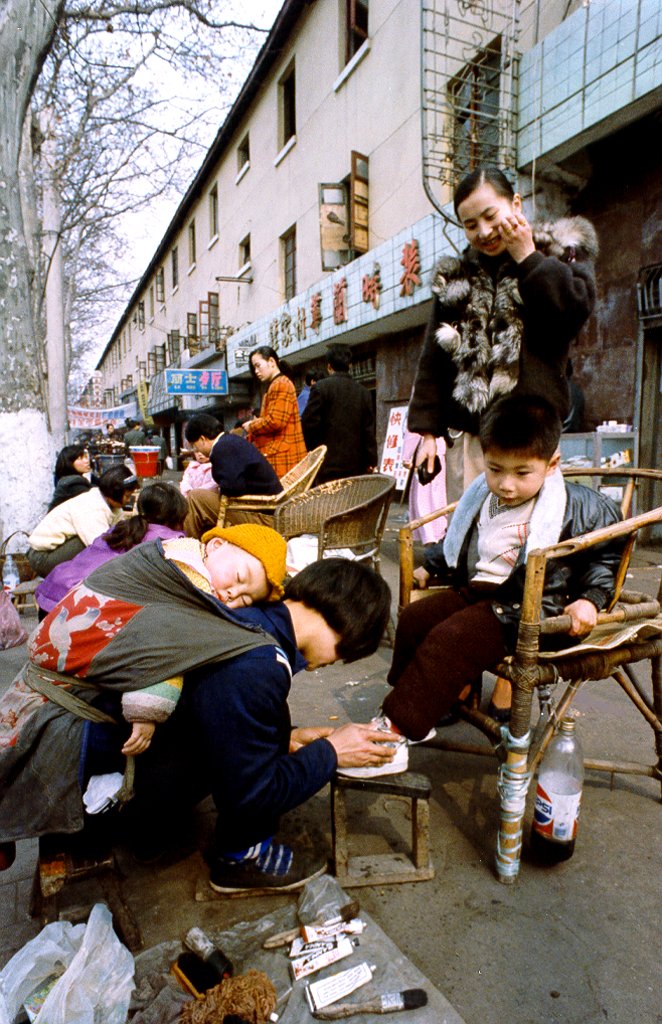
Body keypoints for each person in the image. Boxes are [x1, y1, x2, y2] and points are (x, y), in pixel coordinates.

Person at [0, 553, 395, 893]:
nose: (332, 663)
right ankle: (238, 859)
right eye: (344, 654)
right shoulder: (259, 664)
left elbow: (223, 712)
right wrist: (331, 752)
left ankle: (154, 827)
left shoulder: (247, 616)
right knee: (256, 776)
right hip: (80, 786)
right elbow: (253, 796)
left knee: (266, 729)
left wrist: (286, 739)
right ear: (347, 625)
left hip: (77, 740)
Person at [341, 395, 623, 779]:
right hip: (479, 592)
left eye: (522, 473)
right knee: (415, 618)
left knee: (450, 638)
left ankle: (394, 732)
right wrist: (432, 565)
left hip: (530, 609)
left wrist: (591, 600)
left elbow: (603, 560)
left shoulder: (579, 506)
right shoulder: (482, 496)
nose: (506, 484)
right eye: (495, 469)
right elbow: (459, 539)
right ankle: (412, 704)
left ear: (552, 463)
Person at [408, 166, 598, 503]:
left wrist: (527, 257)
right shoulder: (457, 277)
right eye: (470, 225)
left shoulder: (557, 253)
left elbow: (575, 311)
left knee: (531, 530)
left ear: (516, 204)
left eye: (490, 216)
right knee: (470, 526)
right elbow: (434, 359)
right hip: (473, 439)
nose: (483, 231)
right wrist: (427, 433)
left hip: (533, 438)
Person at [35, 482, 188, 617]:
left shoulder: (122, 527)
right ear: (178, 515)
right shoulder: (168, 542)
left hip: (52, 592)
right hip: (78, 607)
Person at [27, 465, 138, 577]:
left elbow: (121, 530)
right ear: (115, 493)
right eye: (127, 496)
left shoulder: (111, 504)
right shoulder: (91, 507)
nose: (129, 500)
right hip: (42, 558)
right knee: (97, 544)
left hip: (56, 551)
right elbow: (101, 547)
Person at [182, 413, 281, 537]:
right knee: (201, 497)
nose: (196, 450)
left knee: (195, 498)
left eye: (194, 446)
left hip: (262, 517)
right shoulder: (230, 441)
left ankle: (187, 544)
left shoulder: (221, 448)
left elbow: (233, 487)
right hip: (266, 510)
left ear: (202, 439)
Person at [301, 343, 377, 483]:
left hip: (327, 465)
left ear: (329, 367)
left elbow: (308, 424)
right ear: (350, 366)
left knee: (329, 497)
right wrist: (371, 460)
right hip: (357, 466)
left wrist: (315, 452)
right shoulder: (363, 392)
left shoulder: (320, 388)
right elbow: (368, 431)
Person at [243, 347, 307, 477]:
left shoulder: (281, 384)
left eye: (258, 366)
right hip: (281, 455)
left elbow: (276, 421)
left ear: (272, 362)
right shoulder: (277, 384)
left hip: (283, 457)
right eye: (254, 368)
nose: (256, 371)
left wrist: (252, 426)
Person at [401, 427, 447, 546]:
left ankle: (431, 538)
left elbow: (413, 429)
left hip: (427, 453)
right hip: (447, 450)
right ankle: (440, 537)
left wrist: (406, 456)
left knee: (425, 501)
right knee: (440, 498)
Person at [49, 444, 95, 510]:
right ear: (69, 462)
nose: (87, 461)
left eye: (85, 457)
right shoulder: (73, 483)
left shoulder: (67, 480)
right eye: (80, 458)